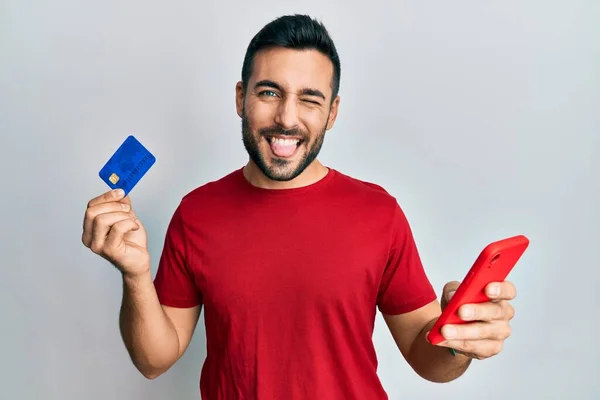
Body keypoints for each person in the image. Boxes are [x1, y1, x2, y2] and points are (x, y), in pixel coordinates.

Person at [82, 14, 518, 399]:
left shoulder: (378, 213)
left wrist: (459, 340)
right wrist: (135, 274)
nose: (287, 118)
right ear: (241, 98)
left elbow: (429, 363)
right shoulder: (196, 212)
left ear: (331, 113)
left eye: (310, 99)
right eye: (270, 92)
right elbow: (154, 360)